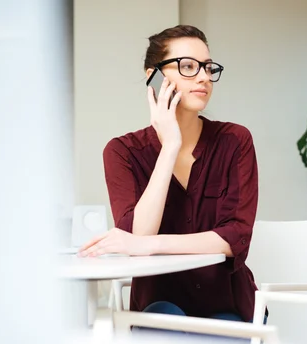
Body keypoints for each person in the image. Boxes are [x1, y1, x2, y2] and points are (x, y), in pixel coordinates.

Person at [78, 25, 261, 326]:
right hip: (158, 305)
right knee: (165, 332)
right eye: (188, 66)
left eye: (207, 67)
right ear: (155, 76)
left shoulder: (235, 140)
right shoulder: (121, 151)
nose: (203, 77)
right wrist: (171, 147)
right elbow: (136, 235)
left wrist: (151, 246)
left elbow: (236, 236)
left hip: (228, 304)